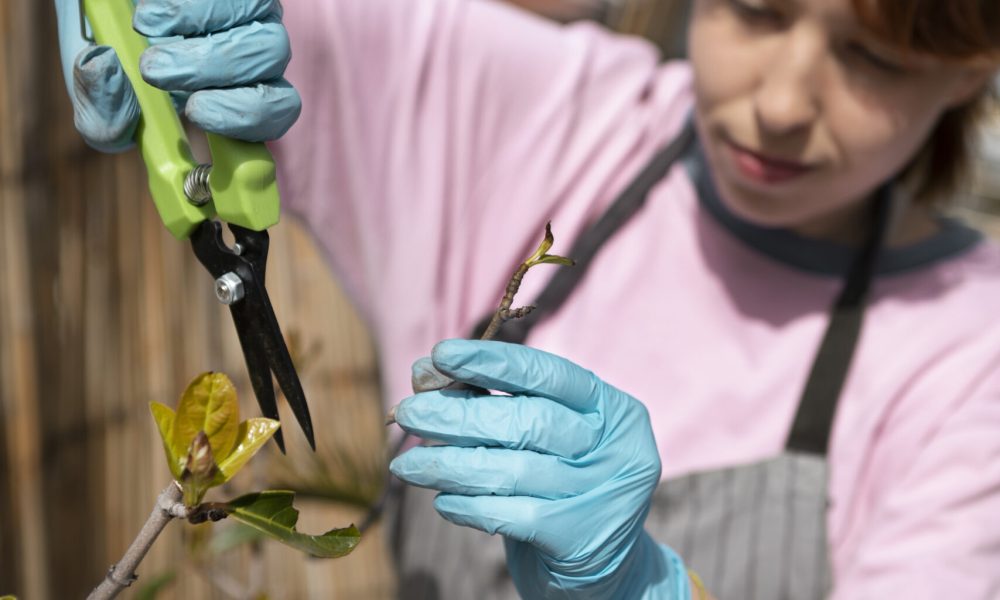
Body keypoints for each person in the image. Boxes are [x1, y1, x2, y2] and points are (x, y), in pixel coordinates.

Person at [54, 0, 1000, 598]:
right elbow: (280, 29)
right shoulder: (548, 114)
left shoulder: (972, 357)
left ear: (971, 72)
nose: (786, 101)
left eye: (873, 60)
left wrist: (646, 592)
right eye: (757, 10)